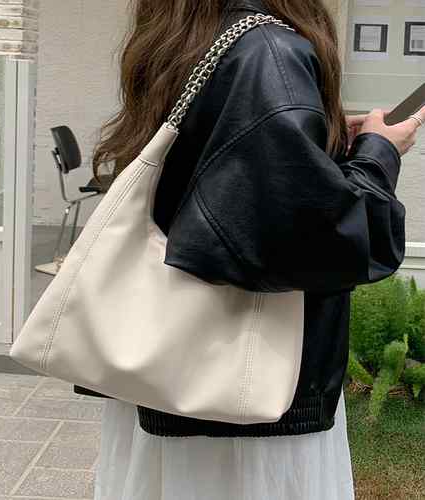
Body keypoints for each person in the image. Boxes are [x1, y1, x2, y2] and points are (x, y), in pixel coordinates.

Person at [80, 1, 424, 498]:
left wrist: (317, 148)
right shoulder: (269, 49)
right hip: (247, 393)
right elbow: (322, 240)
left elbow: (229, 191)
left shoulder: (184, 37)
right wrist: (378, 153)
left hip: (169, 365)